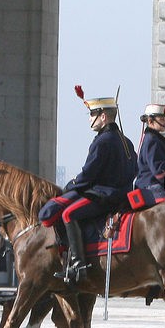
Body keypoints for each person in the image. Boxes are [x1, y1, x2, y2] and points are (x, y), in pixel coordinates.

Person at [39, 88, 137, 285]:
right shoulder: (126, 141)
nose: (89, 119)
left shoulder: (102, 141)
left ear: (103, 116)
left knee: (68, 214)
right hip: (122, 196)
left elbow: (88, 174)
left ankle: (78, 264)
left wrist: (70, 186)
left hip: (104, 196)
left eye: (92, 114)